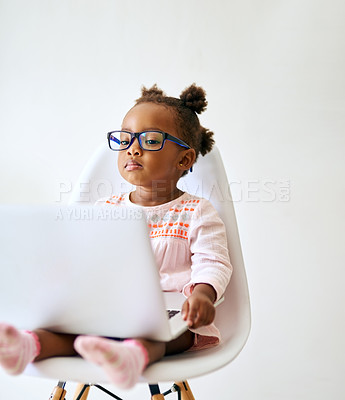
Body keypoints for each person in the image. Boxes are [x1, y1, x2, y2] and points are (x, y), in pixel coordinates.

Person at [0, 84, 232, 389]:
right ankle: (28, 346)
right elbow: (84, 260)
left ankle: (131, 357)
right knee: (70, 333)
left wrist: (203, 294)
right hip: (111, 310)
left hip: (173, 316)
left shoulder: (196, 211)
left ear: (184, 160)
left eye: (150, 140)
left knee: (156, 337)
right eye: (125, 139)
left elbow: (213, 261)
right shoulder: (106, 208)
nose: (133, 149)